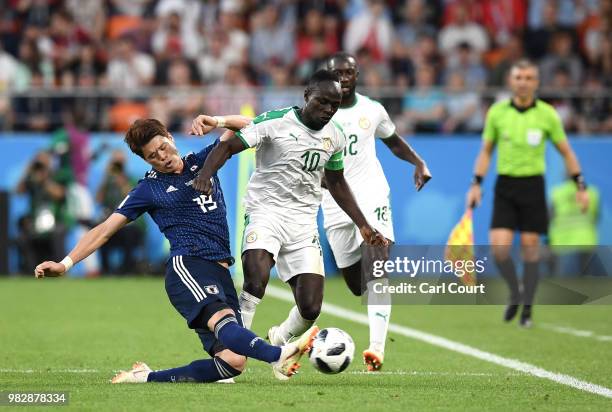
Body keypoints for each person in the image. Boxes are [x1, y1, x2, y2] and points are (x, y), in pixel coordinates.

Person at [34, 119, 318, 384]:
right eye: (153, 156)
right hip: (189, 265)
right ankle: (279, 355)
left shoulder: (205, 159)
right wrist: (66, 263)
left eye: (163, 146)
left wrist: (217, 121)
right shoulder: (149, 189)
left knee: (233, 362)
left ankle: (144, 377)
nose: (162, 156)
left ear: (170, 137)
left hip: (220, 270)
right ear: (145, 161)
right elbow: (105, 228)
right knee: (224, 323)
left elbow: (257, 125)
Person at [190, 70, 388, 358]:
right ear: (307, 96)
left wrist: (363, 225)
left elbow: (336, 181)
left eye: (335, 104)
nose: (329, 110)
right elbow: (228, 146)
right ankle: (232, 354)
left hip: (303, 221)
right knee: (255, 279)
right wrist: (206, 174)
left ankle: (280, 336)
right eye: (323, 102)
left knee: (310, 308)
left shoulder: (336, 136)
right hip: (265, 211)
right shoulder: (276, 121)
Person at [322, 52, 431, 371]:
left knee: (377, 274)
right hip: (334, 202)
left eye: (349, 72)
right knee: (357, 285)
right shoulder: (316, 114)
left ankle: (376, 349)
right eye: (337, 73)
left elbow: (393, 141)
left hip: (372, 195)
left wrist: (418, 162)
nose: (343, 78)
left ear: (357, 76)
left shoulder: (373, 110)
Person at [466, 59, 589, 327]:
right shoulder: (497, 113)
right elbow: (486, 151)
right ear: (511, 81)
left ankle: (528, 310)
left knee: (530, 249)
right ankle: (515, 291)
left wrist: (581, 185)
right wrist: (476, 183)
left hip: (533, 186)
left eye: (528, 77)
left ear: (536, 82)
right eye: (518, 77)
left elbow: (567, 152)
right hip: (506, 186)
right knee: (499, 249)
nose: (523, 82)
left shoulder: (547, 114)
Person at [16, 151, 70, 273]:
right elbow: (18, 191)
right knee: (23, 238)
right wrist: (27, 171)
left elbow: (60, 194)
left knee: (58, 234)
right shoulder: (31, 178)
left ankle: (60, 271)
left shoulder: (57, 175)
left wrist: (45, 180)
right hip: (34, 219)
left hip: (55, 219)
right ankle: (28, 271)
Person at [96, 149, 145, 274]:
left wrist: (121, 181)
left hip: (130, 224)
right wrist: (105, 179)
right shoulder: (108, 182)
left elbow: (132, 198)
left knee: (128, 235)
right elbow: (98, 199)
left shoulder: (132, 179)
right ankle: (105, 271)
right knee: (101, 235)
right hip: (113, 223)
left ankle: (126, 270)